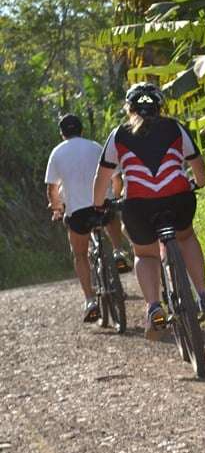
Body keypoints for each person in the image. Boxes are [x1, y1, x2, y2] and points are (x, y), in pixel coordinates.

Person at [92, 82, 205, 338]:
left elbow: (102, 177)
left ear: (129, 108)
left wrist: (98, 204)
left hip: (139, 207)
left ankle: (154, 307)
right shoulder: (174, 127)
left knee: (146, 254)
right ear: (160, 106)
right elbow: (197, 164)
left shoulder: (119, 134)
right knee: (186, 236)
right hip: (179, 200)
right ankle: (203, 293)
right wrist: (199, 183)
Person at [45, 113, 131, 323]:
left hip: (78, 213)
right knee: (111, 214)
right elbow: (116, 178)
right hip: (101, 206)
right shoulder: (95, 146)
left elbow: (52, 190)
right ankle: (119, 251)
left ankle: (91, 301)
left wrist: (57, 209)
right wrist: (116, 196)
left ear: (62, 133)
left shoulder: (57, 153)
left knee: (80, 254)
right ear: (82, 130)